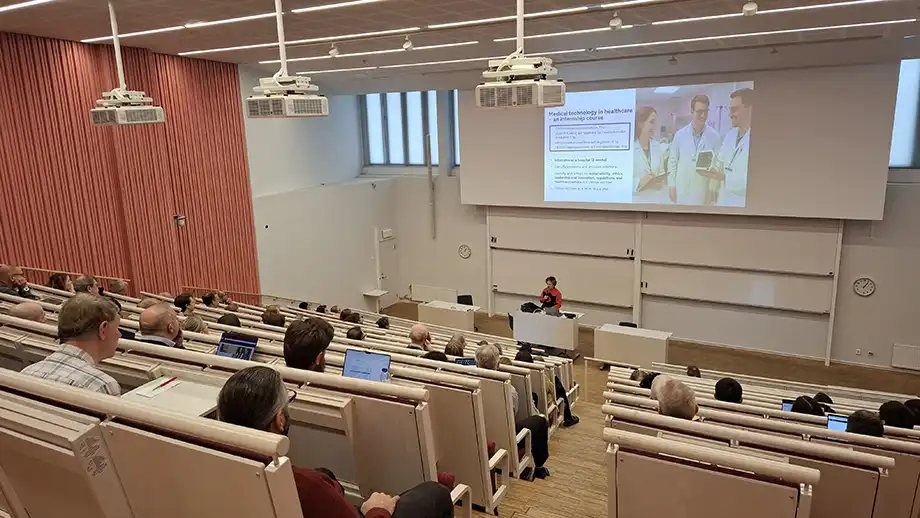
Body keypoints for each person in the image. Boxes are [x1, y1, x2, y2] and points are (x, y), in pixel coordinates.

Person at [216, 366, 453, 518]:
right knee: (436, 493)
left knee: (325, 474)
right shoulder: (308, 487)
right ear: (279, 419)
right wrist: (377, 510)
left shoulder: (210, 468)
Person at [20, 294, 121, 395]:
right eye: (117, 328)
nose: (119, 334)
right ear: (103, 329)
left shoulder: (26, 373)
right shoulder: (102, 386)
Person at [476, 343, 551, 479]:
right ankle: (539, 467)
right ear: (498, 364)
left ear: (476, 363)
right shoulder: (509, 390)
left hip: (478, 433)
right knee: (540, 420)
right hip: (504, 438)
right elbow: (512, 416)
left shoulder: (468, 383)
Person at [667, 94, 722, 205]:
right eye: (699, 111)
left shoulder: (715, 137)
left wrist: (713, 188)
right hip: (681, 188)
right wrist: (671, 186)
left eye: (706, 111)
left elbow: (718, 165)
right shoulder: (679, 135)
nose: (703, 115)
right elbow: (672, 162)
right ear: (691, 111)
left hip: (703, 190)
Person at [705, 88, 753, 207]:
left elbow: (751, 180)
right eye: (730, 110)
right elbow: (720, 162)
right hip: (723, 201)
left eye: (735, 110)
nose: (730, 115)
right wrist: (710, 166)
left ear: (750, 108)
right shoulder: (730, 135)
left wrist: (724, 177)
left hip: (743, 205)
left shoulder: (760, 142)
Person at [516, 349, 579, 427]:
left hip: (521, 414)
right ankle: (568, 417)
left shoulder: (513, 376)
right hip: (544, 412)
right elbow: (553, 393)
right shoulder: (542, 377)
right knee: (557, 385)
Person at [632, 106, 669, 203]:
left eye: (655, 122)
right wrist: (641, 182)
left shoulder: (657, 146)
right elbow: (620, 181)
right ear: (640, 124)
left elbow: (661, 172)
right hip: (636, 201)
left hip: (655, 200)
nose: (655, 127)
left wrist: (660, 181)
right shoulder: (630, 147)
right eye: (652, 122)